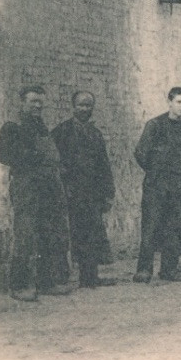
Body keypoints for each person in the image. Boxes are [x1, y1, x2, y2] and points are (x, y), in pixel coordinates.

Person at [0, 85, 74, 300]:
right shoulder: (13, 127)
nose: (38, 105)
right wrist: (32, 157)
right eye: (33, 102)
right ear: (22, 103)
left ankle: (46, 283)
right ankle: (19, 287)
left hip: (48, 188)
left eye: (40, 101)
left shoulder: (41, 126)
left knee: (49, 233)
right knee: (25, 234)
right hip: (27, 187)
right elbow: (2, 154)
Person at [51, 90, 117, 288]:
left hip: (92, 194)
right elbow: (55, 163)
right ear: (73, 107)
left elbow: (104, 165)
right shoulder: (61, 132)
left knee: (92, 233)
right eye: (81, 105)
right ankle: (60, 278)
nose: (84, 109)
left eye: (88, 105)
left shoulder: (95, 134)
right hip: (70, 193)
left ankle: (90, 276)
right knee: (68, 234)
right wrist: (64, 187)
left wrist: (108, 193)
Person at [132, 87, 181, 284]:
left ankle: (169, 270)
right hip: (157, 184)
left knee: (174, 227)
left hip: (177, 184)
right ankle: (144, 270)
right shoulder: (155, 125)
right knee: (151, 226)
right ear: (169, 102)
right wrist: (156, 172)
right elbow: (141, 153)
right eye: (179, 102)